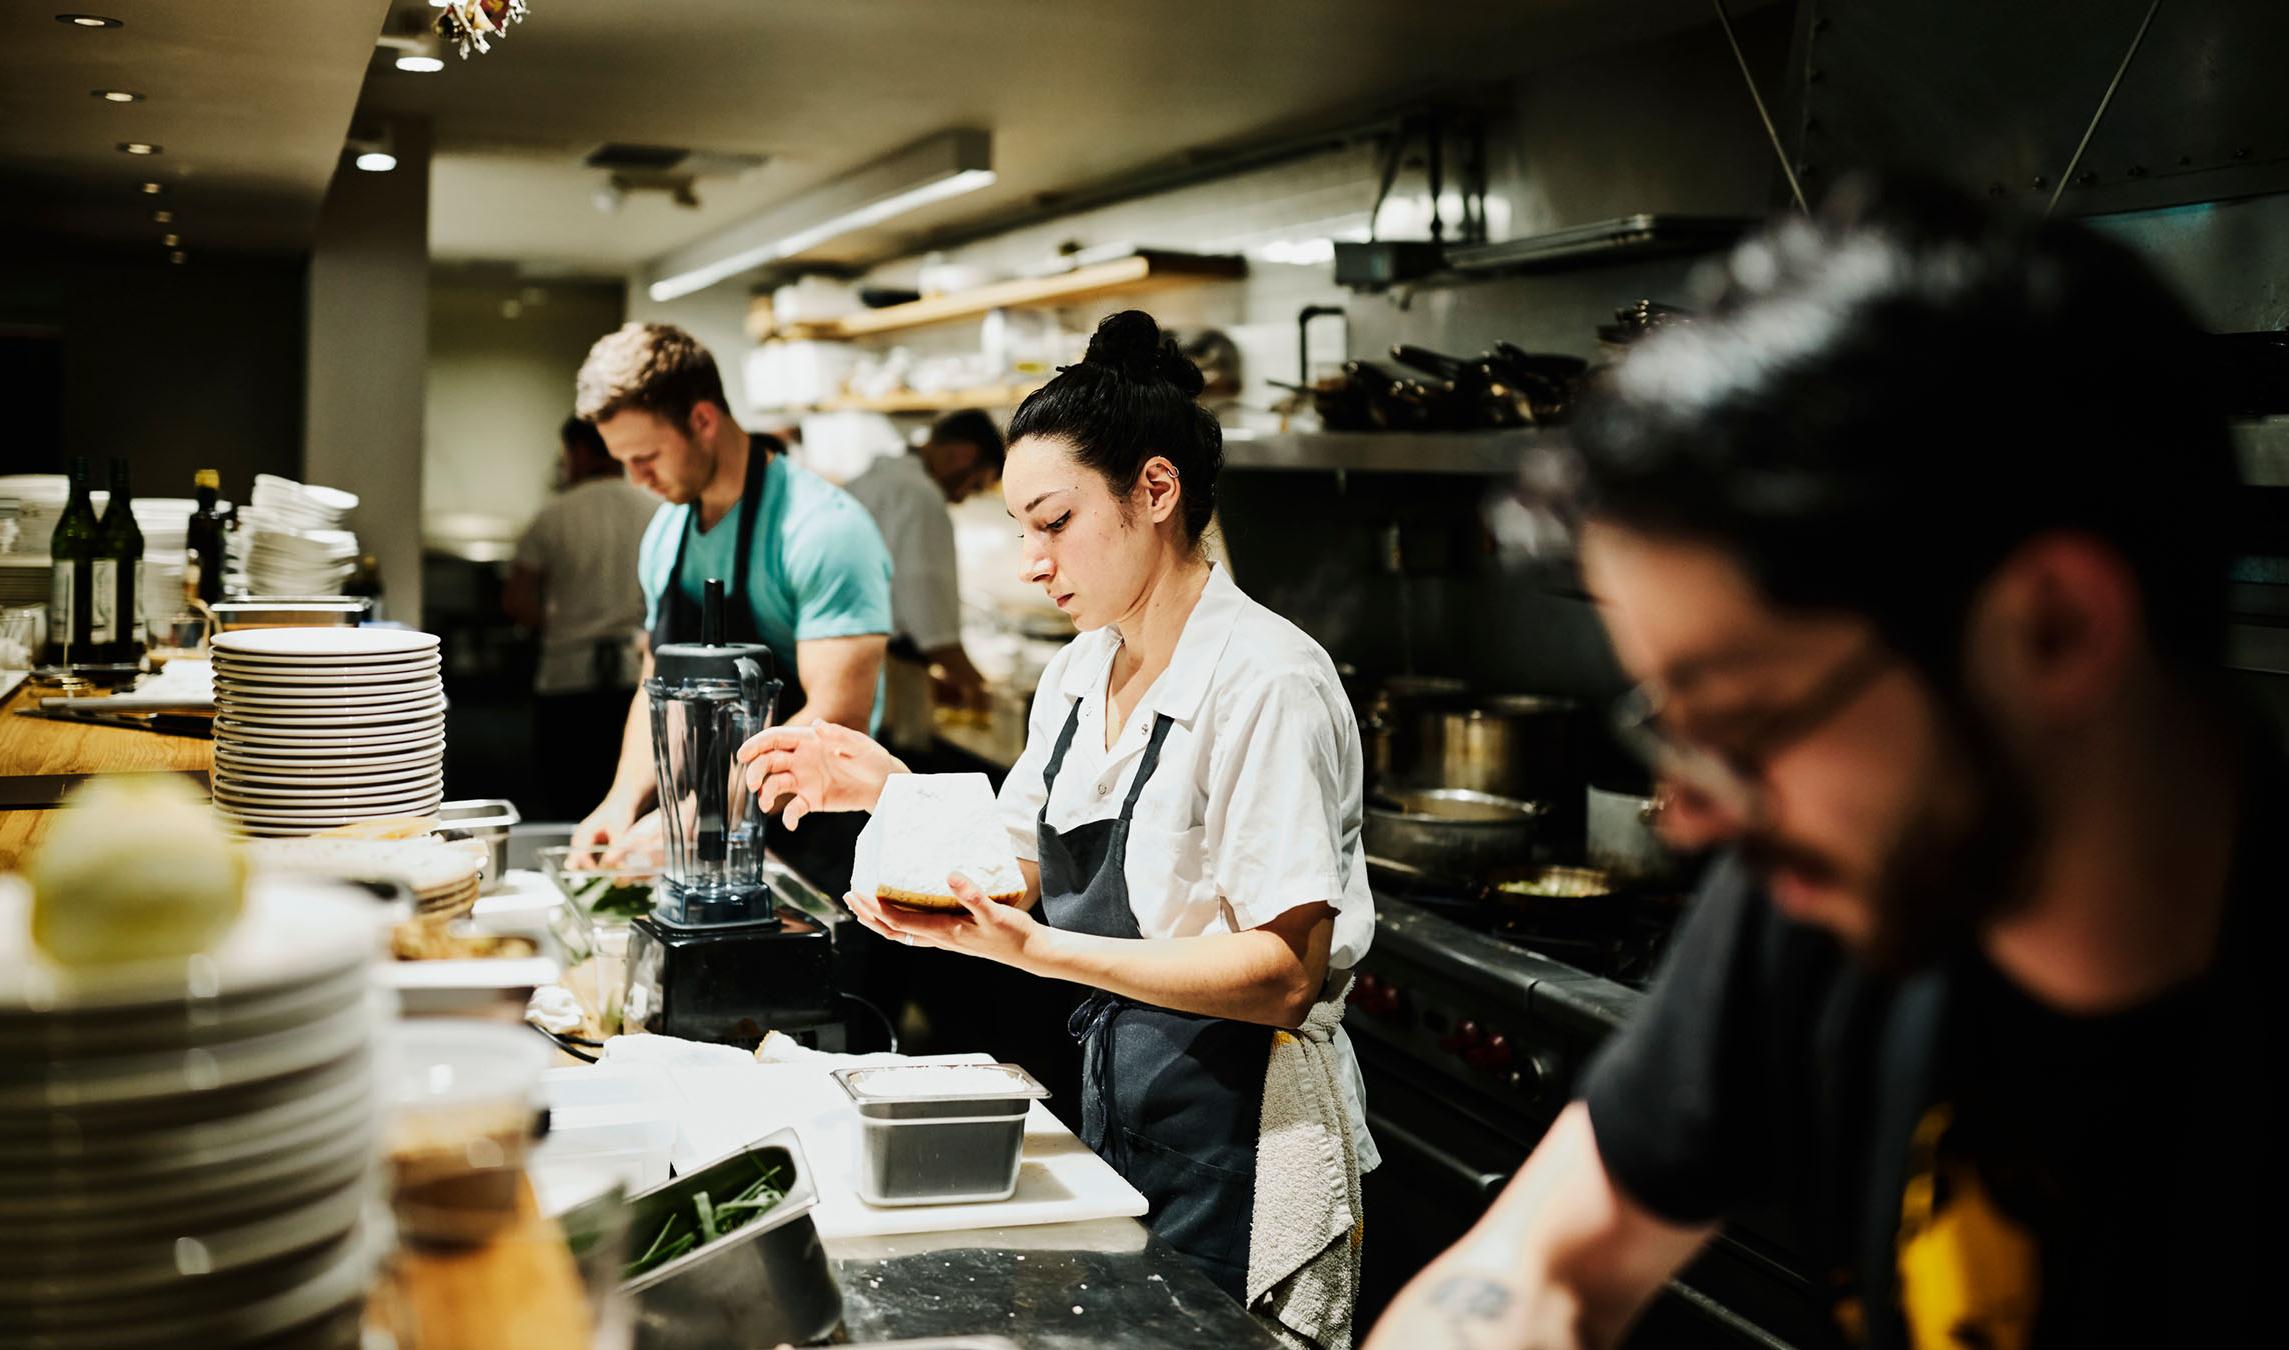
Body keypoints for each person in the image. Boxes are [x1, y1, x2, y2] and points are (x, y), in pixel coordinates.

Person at [1367, 178, 2269, 1349]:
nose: (1687, 818)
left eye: (1741, 722)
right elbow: (1545, 1264)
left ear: (2052, 631)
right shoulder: (1834, 884)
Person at [737, 312, 1378, 1338]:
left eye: (1053, 521)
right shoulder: (1082, 670)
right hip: (1125, 1105)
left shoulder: (1267, 680)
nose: (1032, 560)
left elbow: (1284, 973)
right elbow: (1024, 860)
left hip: (1246, 1133)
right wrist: (895, 790)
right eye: (1019, 527)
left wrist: (1037, 952)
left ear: (1156, 492)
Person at [565, 322, 892, 896]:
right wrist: (622, 803)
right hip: (703, 826)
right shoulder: (667, 533)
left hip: (813, 831)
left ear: (703, 420)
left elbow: (838, 716)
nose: (638, 480)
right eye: (625, 462)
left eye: (646, 457)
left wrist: (703, 814)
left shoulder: (824, 530)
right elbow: (655, 688)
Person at [504, 416, 661, 820]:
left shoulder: (555, 514)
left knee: (566, 802)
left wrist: (559, 627)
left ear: (583, 451)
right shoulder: (655, 510)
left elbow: (516, 599)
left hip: (566, 674)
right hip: (636, 675)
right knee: (630, 804)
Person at [840, 409, 1004, 718]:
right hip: (882, 675)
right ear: (964, 455)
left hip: (844, 660)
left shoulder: (867, 481)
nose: (964, 497)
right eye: (976, 485)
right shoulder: (921, 497)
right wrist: (977, 687)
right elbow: (929, 617)